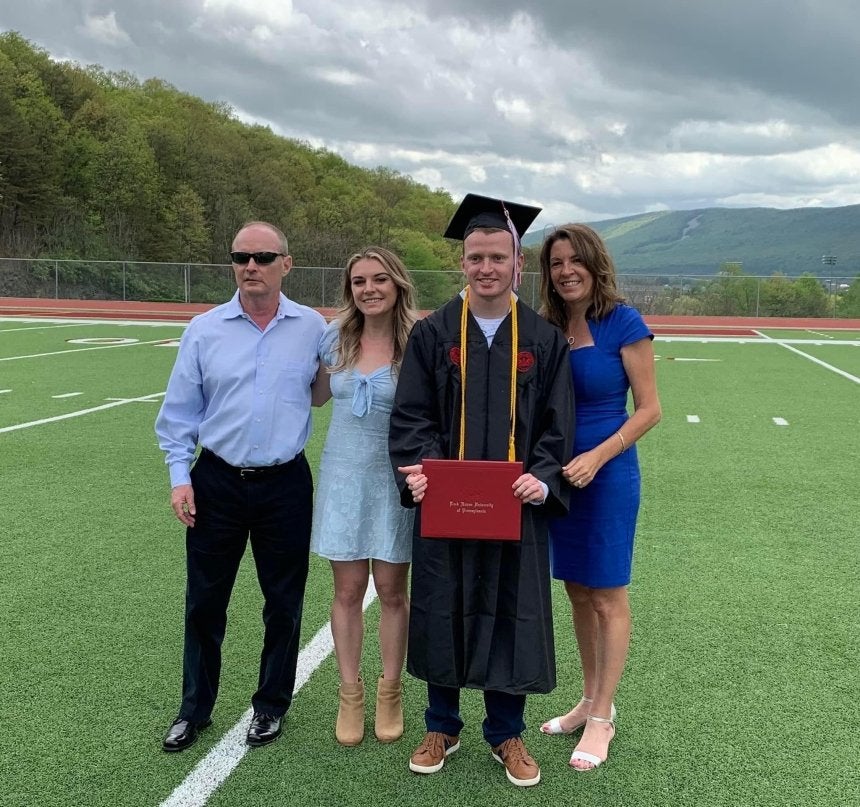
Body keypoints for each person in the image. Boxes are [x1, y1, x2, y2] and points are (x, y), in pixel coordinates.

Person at [388, 194, 573, 788]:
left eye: (497, 256)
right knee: (443, 604)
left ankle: (505, 732)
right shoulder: (433, 333)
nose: (486, 267)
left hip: (516, 506)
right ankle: (441, 723)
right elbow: (412, 416)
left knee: (510, 612)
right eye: (475, 257)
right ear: (462, 263)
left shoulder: (544, 339)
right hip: (446, 506)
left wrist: (542, 478)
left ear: (518, 263)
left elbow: (555, 424)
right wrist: (420, 472)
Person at [154, 221, 325, 752]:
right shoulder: (204, 329)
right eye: (241, 256)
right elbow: (180, 412)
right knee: (205, 603)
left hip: (286, 484)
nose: (251, 265)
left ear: (286, 264)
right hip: (217, 481)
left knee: (284, 603)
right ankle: (194, 710)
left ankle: (271, 705)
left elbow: (326, 392)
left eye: (264, 256)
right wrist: (181, 477)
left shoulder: (314, 327)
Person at [536, 223, 661, 771]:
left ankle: (604, 717)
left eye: (573, 260)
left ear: (593, 262)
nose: (565, 271)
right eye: (556, 263)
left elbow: (650, 409)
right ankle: (587, 700)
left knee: (607, 596)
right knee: (577, 593)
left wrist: (598, 456)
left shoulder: (623, 322)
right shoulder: (548, 325)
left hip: (606, 477)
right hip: (559, 478)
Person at [310, 247, 418, 746]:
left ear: (396, 284)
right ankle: (349, 694)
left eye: (379, 279)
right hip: (342, 478)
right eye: (358, 281)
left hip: (394, 480)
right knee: (348, 591)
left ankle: (390, 691)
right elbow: (312, 395)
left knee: (393, 593)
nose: (368, 289)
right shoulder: (334, 337)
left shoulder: (418, 340)